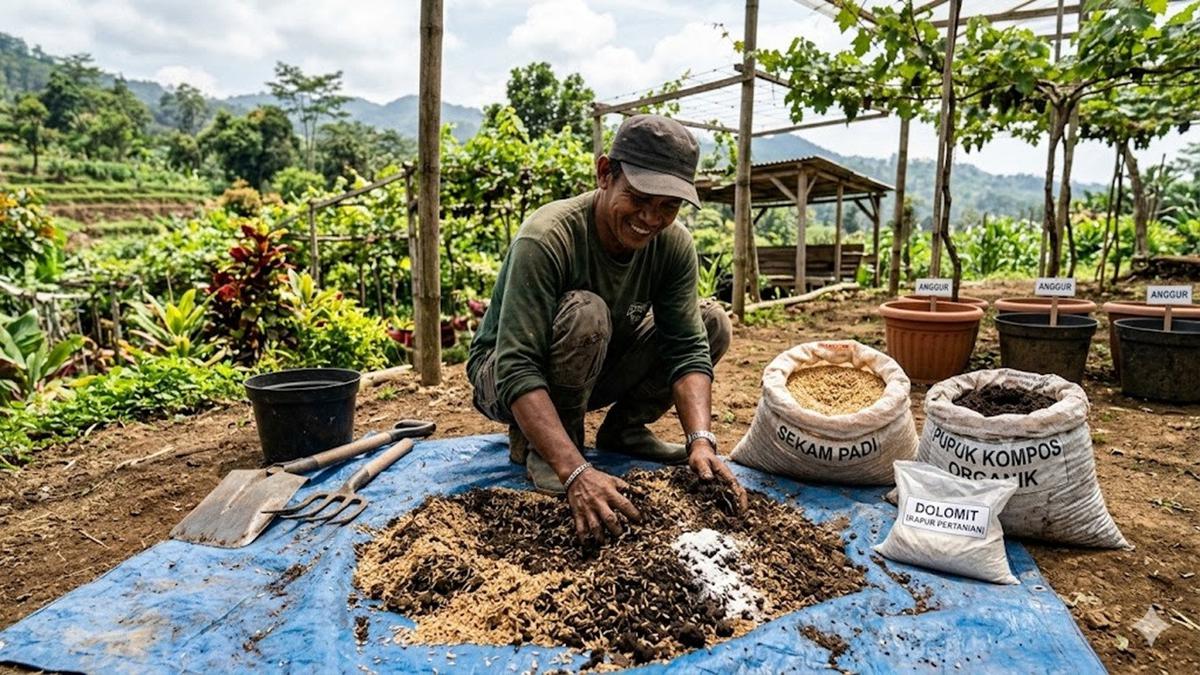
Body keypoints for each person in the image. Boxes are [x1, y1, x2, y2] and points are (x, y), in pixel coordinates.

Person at [467, 114, 747, 543]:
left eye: (668, 206)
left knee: (712, 323)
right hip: (504, 376)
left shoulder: (672, 246)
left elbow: (687, 347)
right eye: (638, 198)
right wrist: (575, 470)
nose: (651, 219)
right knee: (587, 312)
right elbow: (516, 367)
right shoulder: (547, 238)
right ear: (604, 174)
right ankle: (552, 446)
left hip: (594, 360)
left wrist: (701, 442)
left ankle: (624, 431)